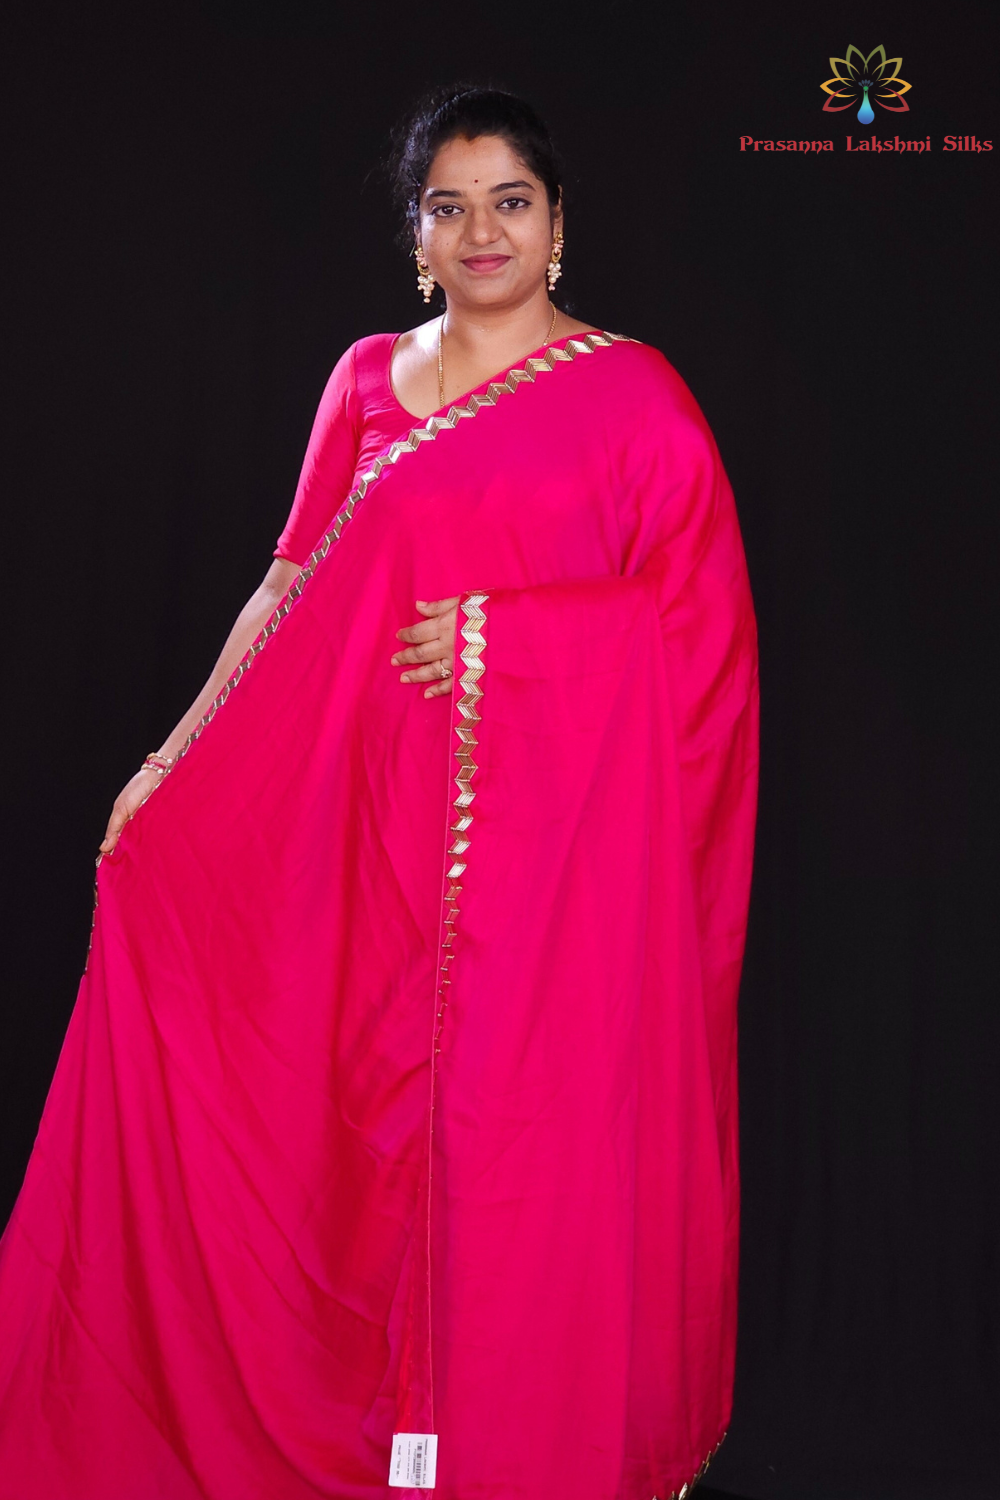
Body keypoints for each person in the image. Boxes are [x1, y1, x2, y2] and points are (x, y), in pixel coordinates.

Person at [0, 85, 759, 1500]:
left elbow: (699, 640)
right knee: (332, 1123)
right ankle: (331, 1429)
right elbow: (285, 590)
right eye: (448, 207)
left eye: (509, 203)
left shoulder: (637, 401)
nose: (482, 233)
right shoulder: (364, 380)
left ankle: (513, 1449)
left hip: (550, 854)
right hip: (355, 817)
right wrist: (170, 761)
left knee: (516, 1138)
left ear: (557, 224)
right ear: (417, 233)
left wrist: (506, 642)